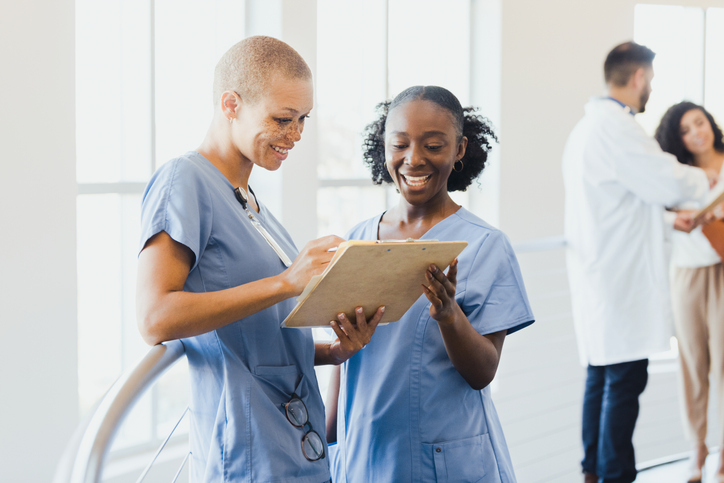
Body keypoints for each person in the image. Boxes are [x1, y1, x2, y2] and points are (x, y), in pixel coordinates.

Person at [135, 36, 383, 482]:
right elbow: (155, 317)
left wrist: (334, 351)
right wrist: (287, 282)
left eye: (303, 119)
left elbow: (257, 340)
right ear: (231, 104)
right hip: (250, 454)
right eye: (282, 118)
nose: (296, 135)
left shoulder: (249, 202)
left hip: (293, 445)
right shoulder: (185, 180)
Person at [326, 85, 535, 482]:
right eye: (400, 144)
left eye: (434, 145)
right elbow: (343, 361)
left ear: (459, 149)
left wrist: (448, 314)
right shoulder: (358, 238)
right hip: (361, 458)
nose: (413, 159)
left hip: (444, 464)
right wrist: (324, 445)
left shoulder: (486, 245)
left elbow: (482, 372)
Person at [562, 41, 717, 483]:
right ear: (640, 78)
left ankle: (592, 471)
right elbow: (664, 179)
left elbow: (623, 202)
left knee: (601, 378)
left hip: (603, 270)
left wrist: (670, 223)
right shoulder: (616, 128)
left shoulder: (587, 130)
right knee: (624, 383)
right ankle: (614, 475)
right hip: (619, 278)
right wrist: (703, 177)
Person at [655, 101, 724, 482]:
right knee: (693, 364)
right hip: (686, 274)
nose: (696, 132)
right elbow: (652, 212)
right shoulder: (675, 173)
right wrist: (673, 219)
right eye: (685, 129)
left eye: (700, 122)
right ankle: (697, 447)